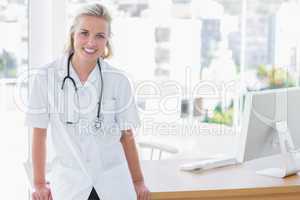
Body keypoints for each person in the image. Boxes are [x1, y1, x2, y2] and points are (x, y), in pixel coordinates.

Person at [25, 3, 150, 200]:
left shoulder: (119, 80)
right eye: (84, 33)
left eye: (100, 36)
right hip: (70, 184)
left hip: (113, 183)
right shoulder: (45, 77)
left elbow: (127, 136)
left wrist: (138, 181)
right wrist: (39, 183)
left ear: (107, 41)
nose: (91, 42)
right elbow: (39, 132)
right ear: (72, 34)